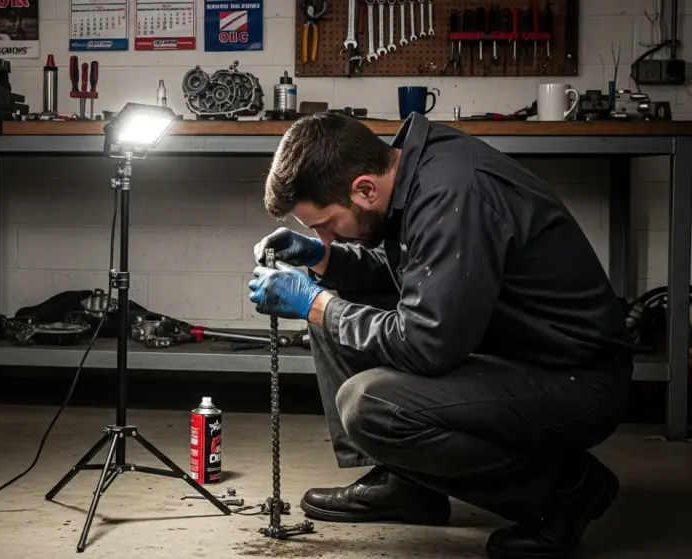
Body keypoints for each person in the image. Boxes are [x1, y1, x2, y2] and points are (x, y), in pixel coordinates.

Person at [247, 112, 633, 559]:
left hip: (575, 380)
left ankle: (564, 490)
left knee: (368, 403)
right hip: (511, 350)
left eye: (326, 225)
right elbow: (421, 275)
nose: (324, 235)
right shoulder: (413, 172)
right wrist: (325, 261)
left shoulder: (453, 193)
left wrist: (316, 305)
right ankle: (406, 483)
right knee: (332, 310)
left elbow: (425, 343)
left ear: (365, 189)